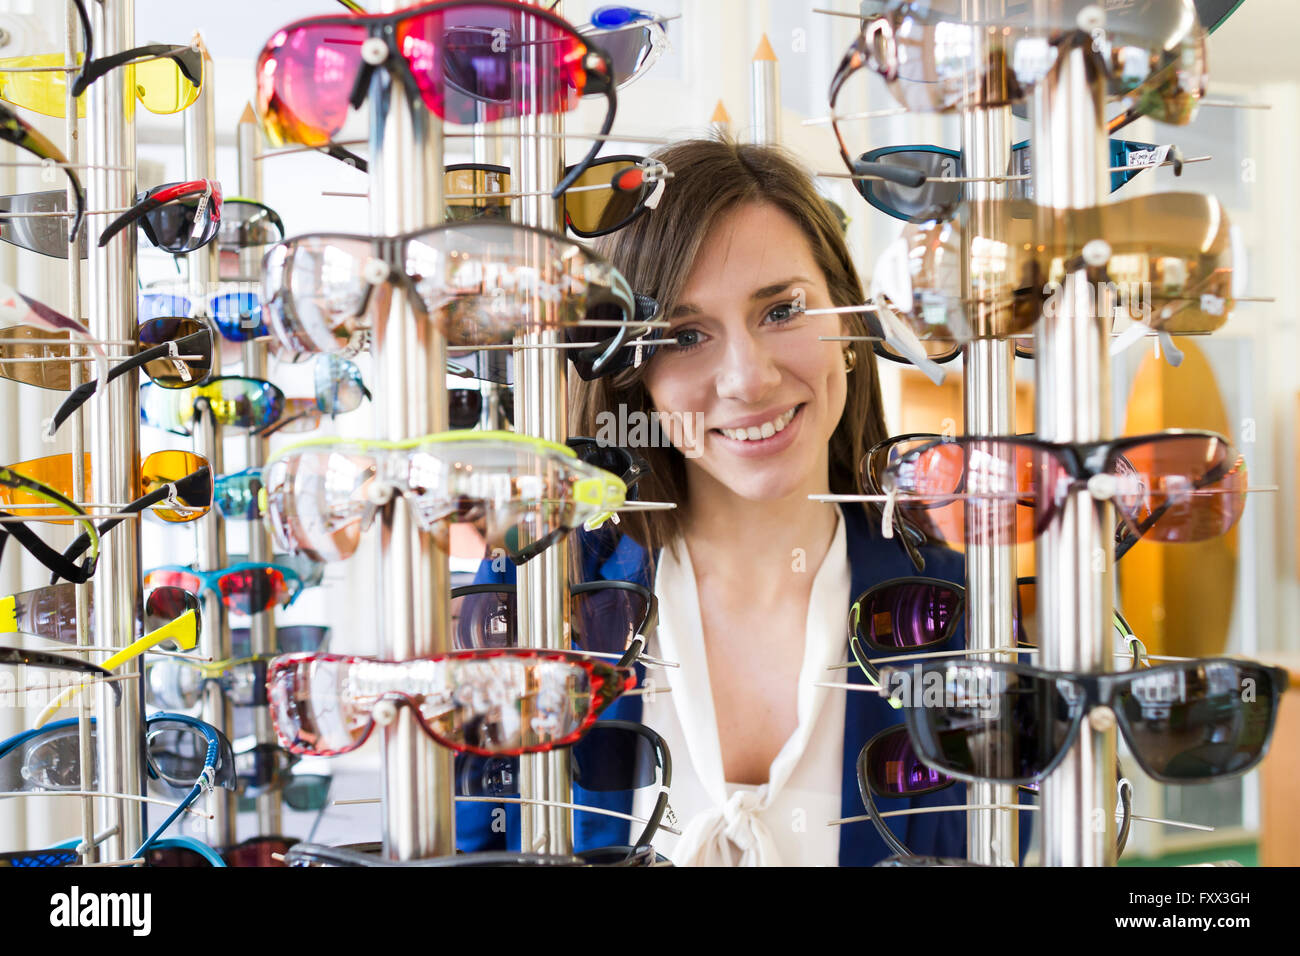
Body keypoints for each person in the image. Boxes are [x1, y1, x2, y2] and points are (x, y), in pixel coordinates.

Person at [458, 138, 982, 867]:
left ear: (849, 322)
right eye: (685, 334)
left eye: (781, 310)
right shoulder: (538, 606)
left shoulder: (961, 618)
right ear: (631, 372)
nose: (747, 379)